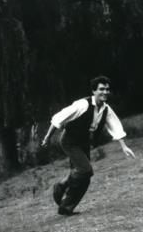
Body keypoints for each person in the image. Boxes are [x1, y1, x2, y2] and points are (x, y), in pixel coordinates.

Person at [41, 75, 136, 216]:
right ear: (94, 91)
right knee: (86, 170)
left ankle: (66, 207)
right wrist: (47, 138)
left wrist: (124, 147)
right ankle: (61, 185)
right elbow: (59, 118)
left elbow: (115, 127)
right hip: (69, 140)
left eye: (107, 90)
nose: (105, 92)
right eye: (101, 89)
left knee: (85, 176)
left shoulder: (106, 109)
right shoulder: (82, 105)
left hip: (83, 142)